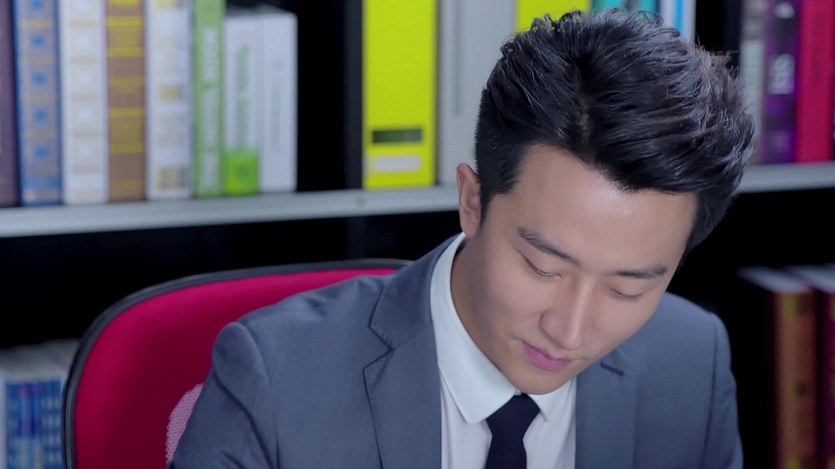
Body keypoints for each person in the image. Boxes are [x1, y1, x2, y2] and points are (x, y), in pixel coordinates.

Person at [171, 7, 753, 469]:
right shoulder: (277, 378)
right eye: (542, 267)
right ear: (473, 201)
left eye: (627, 289)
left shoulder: (691, 362)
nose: (570, 331)